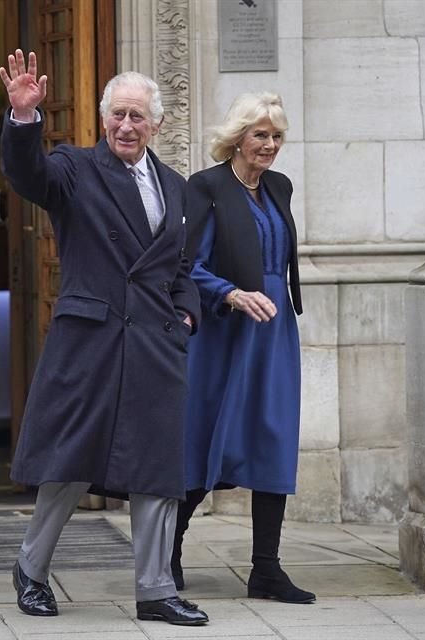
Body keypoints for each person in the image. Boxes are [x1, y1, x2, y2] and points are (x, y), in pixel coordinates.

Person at [0, 49, 208, 626]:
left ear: (157, 124)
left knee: (157, 468)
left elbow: (180, 269)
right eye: (117, 115)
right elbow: (28, 175)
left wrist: (186, 316)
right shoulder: (74, 168)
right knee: (69, 463)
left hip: (154, 343)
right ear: (102, 119)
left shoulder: (176, 187)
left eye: (138, 116)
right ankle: (32, 570)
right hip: (90, 339)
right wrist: (23, 121)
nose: (126, 126)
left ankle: (156, 589)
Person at [171, 92, 316, 605]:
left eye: (277, 136)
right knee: (212, 437)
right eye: (260, 135)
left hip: (274, 330)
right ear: (237, 137)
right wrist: (230, 293)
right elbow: (188, 264)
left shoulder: (279, 187)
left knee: (272, 436)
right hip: (226, 330)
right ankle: (169, 548)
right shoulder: (206, 187)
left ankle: (266, 569)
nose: (270, 145)